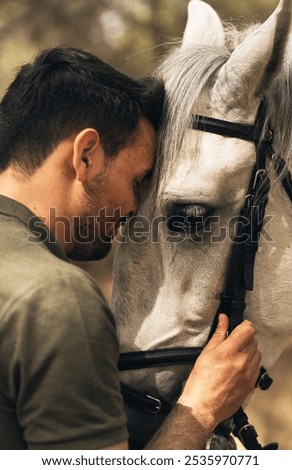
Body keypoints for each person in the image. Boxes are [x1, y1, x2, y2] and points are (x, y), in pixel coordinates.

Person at [0, 46, 261, 450]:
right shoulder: (55, 298)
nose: (135, 207)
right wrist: (202, 408)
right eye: (138, 180)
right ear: (86, 156)